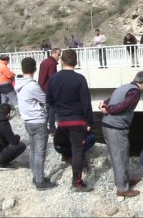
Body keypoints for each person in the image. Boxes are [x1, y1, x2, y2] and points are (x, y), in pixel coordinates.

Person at [47, 49, 94, 192]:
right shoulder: (80, 79)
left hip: (63, 121)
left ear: (61, 61)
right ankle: (77, 183)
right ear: (76, 62)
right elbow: (86, 104)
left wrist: (60, 113)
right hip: (78, 121)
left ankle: (66, 157)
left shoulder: (53, 79)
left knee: (67, 144)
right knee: (78, 151)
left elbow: (49, 101)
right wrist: (89, 122)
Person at [99, 71, 143, 198]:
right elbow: (123, 106)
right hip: (115, 127)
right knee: (119, 156)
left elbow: (108, 100)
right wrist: (109, 109)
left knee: (123, 153)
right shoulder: (135, 92)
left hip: (109, 125)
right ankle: (122, 189)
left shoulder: (124, 87)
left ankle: (126, 180)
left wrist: (104, 106)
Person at [15, 57, 58, 191]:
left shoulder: (19, 83)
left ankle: (36, 177)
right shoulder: (32, 85)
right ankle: (40, 181)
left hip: (28, 121)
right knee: (40, 153)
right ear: (35, 69)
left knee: (33, 152)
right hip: (38, 122)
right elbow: (46, 99)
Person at [38, 48, 61, 136]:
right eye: (58, 54)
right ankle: (52, 129)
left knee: (48, 109)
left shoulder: (44, 62)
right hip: (49, 90)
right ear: (54, 53)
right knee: (52, 109)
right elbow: (52, 78)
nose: (59, 57)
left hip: (43, 87)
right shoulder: (52, 64)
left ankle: (46, 127)